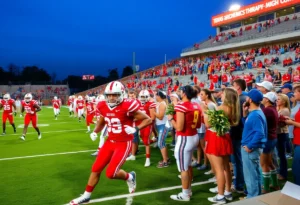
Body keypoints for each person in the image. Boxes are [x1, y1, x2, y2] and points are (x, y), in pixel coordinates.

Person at [69, 81, 152, 204]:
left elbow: (148, 119)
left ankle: (130, 177)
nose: (111, 97)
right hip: (110, 141)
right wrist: (95, 131)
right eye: (109, 95)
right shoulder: (102, 105)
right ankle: (86, 195)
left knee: (111, 173)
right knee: (96, 168)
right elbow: (102, 121)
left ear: (122, 94)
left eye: (115, 95)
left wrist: (135, 129)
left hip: (124, 142)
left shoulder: (127, 106)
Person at [204, 88, 240, 204]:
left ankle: (220, 196)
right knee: (226, 168)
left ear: (227, 96)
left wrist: (205, 111)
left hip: (216, 138)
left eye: (223, 94)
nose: (221, 95)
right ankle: (227, 192)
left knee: (219, 170)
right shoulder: (233, 108)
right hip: (225, 137)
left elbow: (208, 124)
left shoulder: (221, 108)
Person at [168, 85, 202, 201]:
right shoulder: (196, 105)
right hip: (194, 135)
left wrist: (170, 119)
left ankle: (185, 194)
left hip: (185, 138)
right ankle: (189, 189)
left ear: (184, 93)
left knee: (183, 168)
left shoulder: (182, 106)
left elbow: (179, 127)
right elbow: (198, 124)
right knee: (187, 165)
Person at [241, 89, 267, 198]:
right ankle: (256, 197)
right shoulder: (255, 113)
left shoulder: (255, 115)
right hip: (253, 148)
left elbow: (260, 133)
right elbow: (249, 127)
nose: (246, 98)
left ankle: (252, 198)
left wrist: (250, 146)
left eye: (248, 97)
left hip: (251, 149)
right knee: (255, 174)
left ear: (250, 100)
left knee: (251, 177)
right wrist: (244, 113)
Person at [126, 90, 156, 167]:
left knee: (146, 142)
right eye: (141, 97)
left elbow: (152, 118)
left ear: (148, 96)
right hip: (139, 124)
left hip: (147, 124)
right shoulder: (137, 103)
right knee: (134, 139)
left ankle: (148, 159)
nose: (143, 98)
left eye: (144, 97)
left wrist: (140, 120)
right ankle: (133, 155)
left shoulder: (150, 104)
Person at [261, 92, 279, 193]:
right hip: (272, 138)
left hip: (267, 139)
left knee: (264, 164)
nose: (262, 99)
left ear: (267, 100)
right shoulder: (272, 109)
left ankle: (266, 188)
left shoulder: (267, 110)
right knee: (270, 162)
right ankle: (275, 184)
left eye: (264, 97)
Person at [231, 79, 247, 193]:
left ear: (238, 87)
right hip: (240, 132)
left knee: (237, 160)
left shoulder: (240, 99)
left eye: (233, 85)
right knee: (238, 160)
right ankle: (239, 182)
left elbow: (237, 119)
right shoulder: (243, 98)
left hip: (237, 133)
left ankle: (239, 184)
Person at [285, 83, 300, 185]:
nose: (293, 94)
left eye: (295, 92)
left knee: (296, 167)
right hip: (297, 139)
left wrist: (291, 122)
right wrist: (292, 119)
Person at [276, 94, 291, 180]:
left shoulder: (284, 110)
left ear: (284, 101)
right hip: (279, 133)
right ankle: (281, 171)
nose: (277, 100)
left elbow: (281, 123)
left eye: (279, 99)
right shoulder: (279, 109)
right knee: (280, 154)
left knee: (282, 154)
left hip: (282, 133)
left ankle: (283, 173)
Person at [154, 90, 169, 168]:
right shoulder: (160, 103)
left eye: (156, 95)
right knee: (162, 143)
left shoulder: (162, 104)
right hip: (161, 125)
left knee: (160, 143)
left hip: (163, 125)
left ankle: (165, 161)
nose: (155, 97)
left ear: (159, 96)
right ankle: (166, 158)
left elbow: (160, 117)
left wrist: (153, 112)